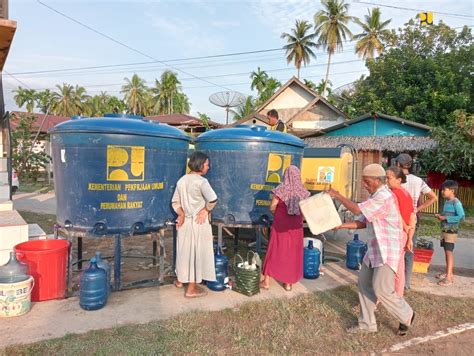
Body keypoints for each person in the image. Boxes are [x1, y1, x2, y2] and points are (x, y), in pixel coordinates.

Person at [328, 164, 415, 336]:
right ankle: (367, 324)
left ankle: (408, 315)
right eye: (363, 182)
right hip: (375, 249)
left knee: (382, 288)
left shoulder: (383, 196)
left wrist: (337, 195)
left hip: (387, 250)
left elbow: (356, 209)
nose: (365, 185)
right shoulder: (376, 196)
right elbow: (362, 221)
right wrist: (340, 225)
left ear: (378, 180)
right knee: (364, 284)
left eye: (367, 182)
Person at [172, 151, 218, 298]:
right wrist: (205, 210)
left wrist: (181, 213)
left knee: (184, 252)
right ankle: (191, 289)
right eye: (206, 164)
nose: (208, 167)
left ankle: (180, 280)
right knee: (196, 254)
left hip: (185, 223)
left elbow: (175, 202)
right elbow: (213, 199)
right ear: (199, 164)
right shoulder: (202, 182)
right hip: (199, 222)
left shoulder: (182, 180)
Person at [261, 165, 309, 291]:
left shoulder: (281, 190)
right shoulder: (303, 192)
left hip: (280, 225)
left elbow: (272, 207)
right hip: (296, 227)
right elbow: (305, 210)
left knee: (274, 249)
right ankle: (288, 283)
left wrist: (278, 213)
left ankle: (266, 281)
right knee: (292, 252)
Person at [395, 153, 437, 290]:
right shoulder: (418, 181)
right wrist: (417, 209)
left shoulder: (395, 179)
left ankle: (396, 281)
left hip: (396, 218)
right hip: (412, 219)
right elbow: (433, 197)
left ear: (397, 164)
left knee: (395, 250)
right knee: (409, 250)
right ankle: (406, 283)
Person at [386, 166, 417, 296]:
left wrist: (405, 228)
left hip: (395, 235)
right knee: (399, 268)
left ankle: (382, 298)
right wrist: (409, 238)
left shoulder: (393, 194)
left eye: (389, 178)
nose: (386, 181)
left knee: (389, 269)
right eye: (385, 178)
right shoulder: (406, 193)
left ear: (399, 179)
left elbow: (398, 215)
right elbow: (412, 217)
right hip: (403, 235)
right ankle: (398, 297)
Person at [434, 180, 465, 287]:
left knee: (449, 253)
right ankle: (448, 272)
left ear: (452, 191)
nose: (442, 191)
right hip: (445, 231)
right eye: (442, 189)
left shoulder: (456, 202)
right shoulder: (447, 202)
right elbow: (446, 215)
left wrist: (446, 218)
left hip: (451, 232)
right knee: (446, 252)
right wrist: (440, 216)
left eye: (444, 190)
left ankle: (449, 278)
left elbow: (461, 216)